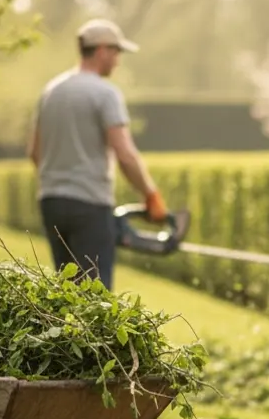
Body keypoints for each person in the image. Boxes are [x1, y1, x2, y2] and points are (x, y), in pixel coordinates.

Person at [27, 18, 167, 290]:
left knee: (66, 290)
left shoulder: (51, 91)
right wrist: (151, 195)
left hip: (51, 201)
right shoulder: (104, 93)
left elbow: (34, 152)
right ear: (101, 49)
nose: (117, 61)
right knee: (95, 294)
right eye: (116, 53)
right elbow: (125, 153)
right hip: (89, 204)